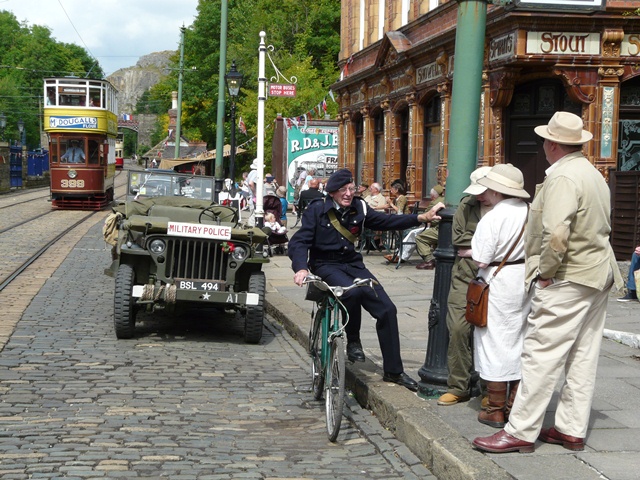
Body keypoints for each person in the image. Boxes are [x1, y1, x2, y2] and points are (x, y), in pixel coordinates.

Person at [473, 111, 623, 454]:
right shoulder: (593, 174)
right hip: (596, 272)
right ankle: (570, 428)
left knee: (541, 354)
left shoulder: (563, 178)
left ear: (553, 144)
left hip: (568, 275)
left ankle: (521, 430)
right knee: (583, 355)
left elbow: (557, 232)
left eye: (545, 140)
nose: (542, 145)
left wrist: (545, 273)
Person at [288, 168, 445, 391]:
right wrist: (301, 268)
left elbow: (385, 221)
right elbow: (299, 242)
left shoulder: (360, 206)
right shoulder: (317, 210)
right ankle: (353, 340)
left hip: (353, 264)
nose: (347, 194)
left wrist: (421, 217)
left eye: (350, 189)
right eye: (342, 190)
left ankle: (393, 371)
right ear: (332, 192)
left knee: (387, 309)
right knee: (352, 291)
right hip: (325, 264)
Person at [470, 164, 530, 428]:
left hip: (497, 280)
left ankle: (495, 409)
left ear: (496, 190)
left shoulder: (493, 217)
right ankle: (514, 405)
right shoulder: (530, 212)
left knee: (494, 342)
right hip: (524, 279)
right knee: (520, 340)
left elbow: (481, 258)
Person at [437, 166, 493, 407]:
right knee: (458, 328)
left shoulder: (511, 207)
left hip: (496, 275)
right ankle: (458, 386)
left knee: (490, 334)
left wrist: (477, 249)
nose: (479, 196)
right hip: (465, 275)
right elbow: (458, 238)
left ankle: (491, 388)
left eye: (484, 191)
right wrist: (487, 246)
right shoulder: (467, 205)